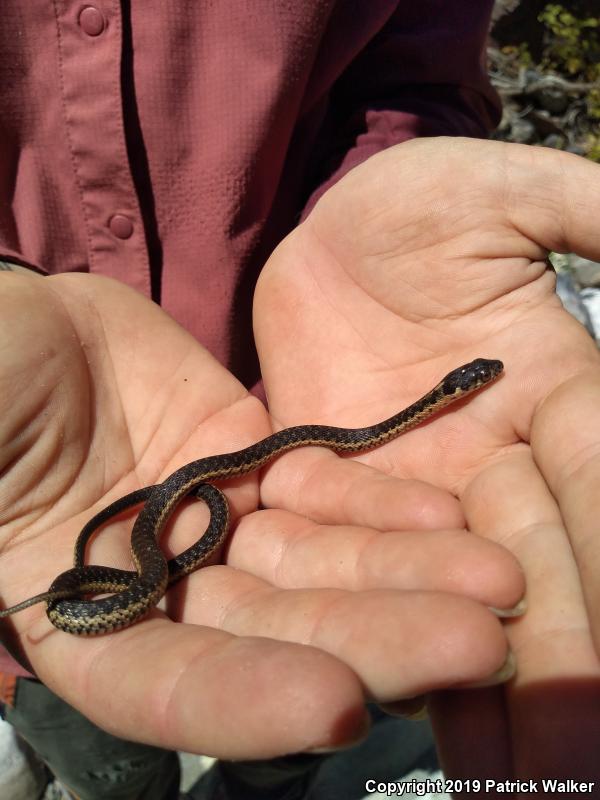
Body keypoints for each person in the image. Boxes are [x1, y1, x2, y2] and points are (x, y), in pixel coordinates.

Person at [1, 2, 599, 798]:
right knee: (109, 771)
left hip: (283, 381)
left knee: (285, 729)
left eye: (474, 381)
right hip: (23, 597)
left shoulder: (391, 410)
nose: (477, 384)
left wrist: (394, 167)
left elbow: (417, 76)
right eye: (472, 381)